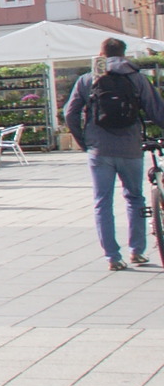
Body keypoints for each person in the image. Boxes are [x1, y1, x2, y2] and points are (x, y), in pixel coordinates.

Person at [63, 37, 164, 270]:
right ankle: (137, 251)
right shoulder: (137, 78)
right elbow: (157, 110)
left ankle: (112, 257)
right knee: (135, 198)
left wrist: (84, 141)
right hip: (130, 149)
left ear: (101, 54)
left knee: (102, 203)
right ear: (124, 53)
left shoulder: (88, 79)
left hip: (99, 150)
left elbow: (70, 114)